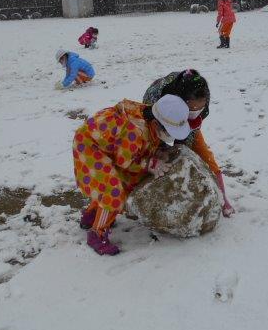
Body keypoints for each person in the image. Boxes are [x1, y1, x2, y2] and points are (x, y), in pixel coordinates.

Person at [73, 94, 190, 255]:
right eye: (169, 132)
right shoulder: (134, 130)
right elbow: (125, 162)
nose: (170, 137)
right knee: (112, 191)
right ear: (156, 123)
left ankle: (91, 215)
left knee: (113, 184)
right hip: (90, 147)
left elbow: (142, 144)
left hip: (105, 145)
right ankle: (96, 234)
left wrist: (157, 151)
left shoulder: (150, 117)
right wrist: (150, 164)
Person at [142, 69, 234, 217]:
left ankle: (223, 198)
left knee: (202, 153)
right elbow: (150, 126)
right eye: (191, 109)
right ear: (180, 102)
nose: (196, 112)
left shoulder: (202, 100)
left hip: (184, 125)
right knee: (156, 155)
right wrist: (161, 149)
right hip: (158, 122)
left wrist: (181, 150)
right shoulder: (156, 97)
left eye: (200, 108)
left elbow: (186, 140)